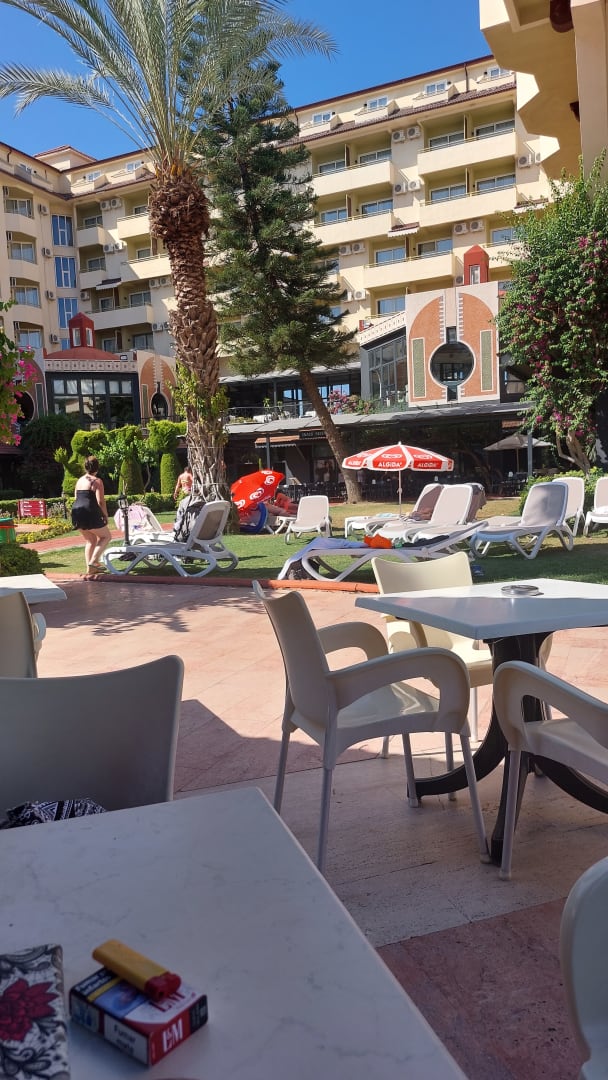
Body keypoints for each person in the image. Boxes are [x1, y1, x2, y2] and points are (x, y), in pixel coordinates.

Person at [71, 456, 111, 578]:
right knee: (106, 536)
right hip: (89, 511)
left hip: (76, 511)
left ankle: (90, 570)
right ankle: (94, 561)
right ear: (97, 467)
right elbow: (100, 501)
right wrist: (105, 515)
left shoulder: (80, 480)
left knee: (91, 540)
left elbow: (76, 497)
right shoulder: (97, 481)